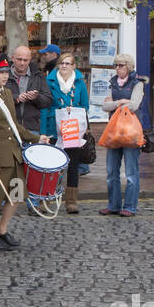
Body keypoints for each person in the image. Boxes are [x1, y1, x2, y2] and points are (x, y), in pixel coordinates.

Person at [0, 52, 51, 250]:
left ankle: (2, 229)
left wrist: (36, 138)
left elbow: (14, 126)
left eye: (5, 72)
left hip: (14, 153)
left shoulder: (6, 93)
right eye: (0, 72)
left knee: (17, 194)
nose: (5, 75)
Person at [98, 53, 149, 217]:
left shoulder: (137, 83)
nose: (118, 68)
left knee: (131, 173)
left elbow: (134, 105)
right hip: (114, 132)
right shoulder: (112, 83)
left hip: (131, 132)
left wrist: (114, 104)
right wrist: (120, 102)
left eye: (121, 65)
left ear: (129, 66)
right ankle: (113, 205)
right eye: (116, 65)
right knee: (111, 171)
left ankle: (130, 206)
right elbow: (104, 106)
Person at [41, 50, 90, 214]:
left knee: (73, 165)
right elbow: (44, 106)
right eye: (61, 63)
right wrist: (43, 131)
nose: (64, 66)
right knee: (51, 165)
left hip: (72, 130)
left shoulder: (80, 83)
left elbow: (85, 106)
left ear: (73, 66)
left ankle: (71, 201)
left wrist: (73, 110)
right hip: (54, 129)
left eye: (67, 63)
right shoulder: (49, 81)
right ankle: (46, 200)